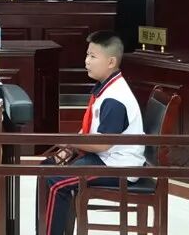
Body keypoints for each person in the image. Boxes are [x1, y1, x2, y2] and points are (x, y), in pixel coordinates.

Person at [40, 32, 145, 235]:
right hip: (103, 158)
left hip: (117, 166)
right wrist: (67, 150)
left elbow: (101, 144)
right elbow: (89, 130)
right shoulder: (106, 87)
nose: (86, 61)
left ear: (111, 62)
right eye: (87, 55)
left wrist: (71, 142)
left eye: (93, 56)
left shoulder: (115, 98)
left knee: (55, 182)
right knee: (46, 168)